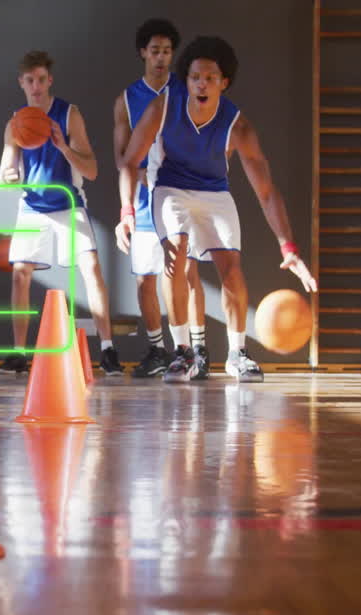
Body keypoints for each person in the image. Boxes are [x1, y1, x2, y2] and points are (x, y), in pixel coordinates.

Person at [117, 36, 317, 383]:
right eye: (195, 77)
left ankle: (237, 353)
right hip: (171, 188)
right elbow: (130, 162)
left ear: (224, 82)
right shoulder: (162, 108)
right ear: (187, 80)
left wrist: (289, 247)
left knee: (232, 268)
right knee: (175, 253)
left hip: (214, 193)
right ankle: (181, 353)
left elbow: (266, 192)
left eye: (210, 78)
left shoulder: (236, 125)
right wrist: (126, 212)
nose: (201, 84)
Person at [0, 50, 123, 376]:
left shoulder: (69, 115)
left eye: (41, 79)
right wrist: (7, 176)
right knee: (20, 273)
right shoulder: (16, 123)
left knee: (92, 268)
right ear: (21, 83)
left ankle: (108, 350)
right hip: (33, 206)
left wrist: (64, 147)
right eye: (30, 81)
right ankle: (19, 353)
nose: (36, 86)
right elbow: (5, 172)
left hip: (68, 203)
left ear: (49, 80)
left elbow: (92, 170)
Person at [112, 18, 209, 379]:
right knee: (145, 279)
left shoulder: (187, 92)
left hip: (181, 192)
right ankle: (156, 350)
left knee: (187, 271)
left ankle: (198, 350)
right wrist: (125, 210)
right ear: (143, 53)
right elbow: (123, 160)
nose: (162, 58)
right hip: (143, 198)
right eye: (155, 51)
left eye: (168, 52)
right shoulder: (126, 101)